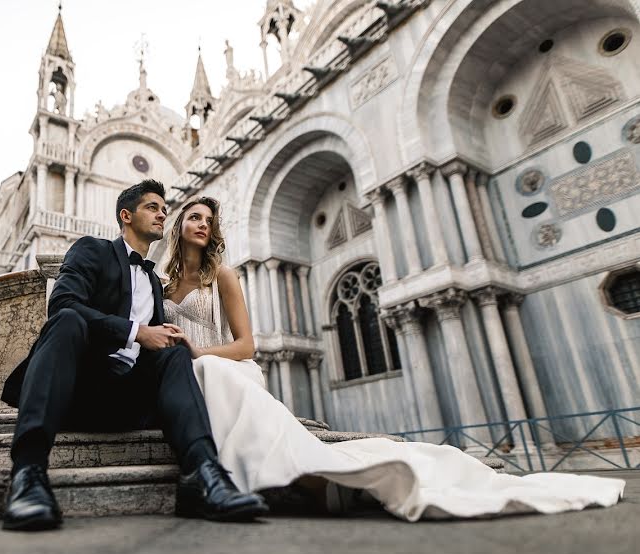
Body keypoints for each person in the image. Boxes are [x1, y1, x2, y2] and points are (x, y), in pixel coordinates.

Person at [161, 195, 626, 521]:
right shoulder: (161, 287)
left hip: (224, 363)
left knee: (207, 370)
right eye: (194, 217)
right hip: (186, 369)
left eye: (209, 220)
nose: (203, 225)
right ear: (179, 225)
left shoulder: (223, 275)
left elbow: (247, 345)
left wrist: (199, 351)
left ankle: (294, 476)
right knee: (193, 374)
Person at [0, 180, 268, 531]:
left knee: (174, 355)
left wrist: (173, 341)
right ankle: (27, 475)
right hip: (77, 392)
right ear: (126, 216)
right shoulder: (92, 251)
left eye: (164, 209)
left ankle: (204, 475)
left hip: (129, 401)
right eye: (152, 207)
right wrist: (137, 331)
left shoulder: (156, 283)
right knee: (67, 319)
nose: (162, 214)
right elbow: (63, 303)